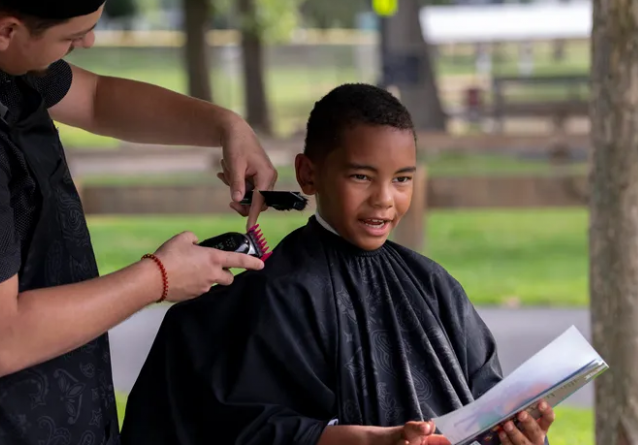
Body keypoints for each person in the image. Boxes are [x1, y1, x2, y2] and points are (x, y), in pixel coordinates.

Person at [0, 1, 276, 444]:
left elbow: (96, 98)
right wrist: (159, 277)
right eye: (72, 36)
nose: (88, 42)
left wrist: (225, 126)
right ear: (6, 31)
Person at [119, 83, 557, 445]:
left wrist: (517, 434)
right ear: (308, 174)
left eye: (402, 179)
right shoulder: (278, 292)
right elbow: (246, 426)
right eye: (361, 176)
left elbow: (484, 399)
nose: (384, 199)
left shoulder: (433, 284)